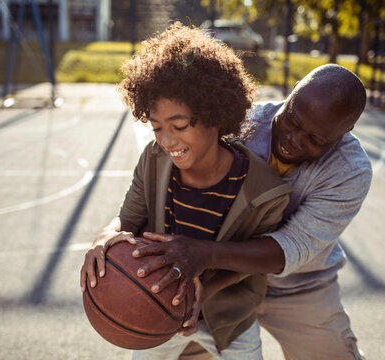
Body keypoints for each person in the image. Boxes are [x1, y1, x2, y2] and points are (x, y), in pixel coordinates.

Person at [79, 23, 291, 360]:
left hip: (229, 316)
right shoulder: (153, 160)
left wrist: (203, 291)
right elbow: (128, 219)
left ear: (214, 115)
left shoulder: (263, 190)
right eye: (157, 127)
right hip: (156, 306)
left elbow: (251, 261)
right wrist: (104, 238)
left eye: (179, 126)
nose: (166, 140)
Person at [134, 64, 372, 359]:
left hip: (298, 288)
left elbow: (291, 246)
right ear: (293, 92)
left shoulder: (350, 171)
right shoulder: (240, 123)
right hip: (214, 281)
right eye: (293, 120)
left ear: (343, 133)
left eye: (315, 139)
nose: (294, 140)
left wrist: (204, 253)